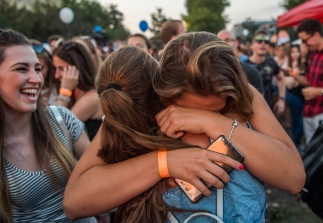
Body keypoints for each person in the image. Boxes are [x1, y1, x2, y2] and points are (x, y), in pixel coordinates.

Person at [64, 32, 305, 221]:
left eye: (220, 107)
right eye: (197, 110)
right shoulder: (138, 105)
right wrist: (164, 164)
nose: (208, 116)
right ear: (167, 96)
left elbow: (293, 179)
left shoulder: (244, 96)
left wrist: (215, 123)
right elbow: (75, 203)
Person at [0, 27, 95, 223]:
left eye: (38, 69)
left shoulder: (62, 120)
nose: (36, 79)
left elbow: (101, 180)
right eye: (21, 69)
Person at [53, 41, 104, 141]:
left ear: (77, 67)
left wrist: (64, 92)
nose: (56, 75)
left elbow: (56, 129)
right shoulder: (77, 93)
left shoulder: (92, 97)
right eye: (55, 68)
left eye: (61, 69)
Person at [245, 30, 286, 115]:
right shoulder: (245, 65)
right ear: (252, 46)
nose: (263, 43)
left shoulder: (271, 62)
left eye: (266, 41)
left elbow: (281, 79)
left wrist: (281, 99)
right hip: (250, 111)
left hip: (268, 108)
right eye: (259, 41)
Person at [297, 19, 323, 144]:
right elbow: (309, 82)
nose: (304, 44)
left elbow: (316, 88)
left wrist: (319, 91)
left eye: (305, 40)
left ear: (316, 35)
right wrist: (294, 74)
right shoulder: (314, 55)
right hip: (310, 111)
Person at [217, 30, 264, 94]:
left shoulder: (251, 73)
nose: (223, 43)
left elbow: (259, 102)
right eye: (218, 41)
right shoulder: (209, 73)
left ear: (236, 43)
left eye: (227, 40)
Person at [284, 45, 305, 147]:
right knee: (296, 120)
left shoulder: (305, 64)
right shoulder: (288, 66)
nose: (295, 54)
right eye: (293, 52)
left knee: (303, 121)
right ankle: (295, 142)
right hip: (294, 96)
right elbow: (288, 84)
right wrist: (297, 77)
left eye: (297, 51)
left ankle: (295, 141)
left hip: (305, 97)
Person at [30, 39, 59, 106]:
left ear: (49, 67)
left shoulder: (60, 87)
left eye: (38, 69)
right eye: (23, 69)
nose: (33, 76)